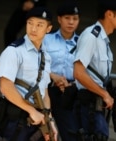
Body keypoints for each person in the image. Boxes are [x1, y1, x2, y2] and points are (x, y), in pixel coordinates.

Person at [0, 7, 58, 141]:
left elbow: (45, 93)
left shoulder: (45, 56)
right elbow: (5, 86)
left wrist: (50, 121)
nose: (33, 29)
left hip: (37, 120)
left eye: (39, 25)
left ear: (48, 29)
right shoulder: (14, 51)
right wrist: (31, 110)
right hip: (16, 119)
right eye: (30, 23)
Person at [73, 0, 116, 140]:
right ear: (109, 14)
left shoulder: (103, 40)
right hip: (88, 107)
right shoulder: (92, 37)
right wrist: (104, 94)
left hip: (96, 106)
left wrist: (113, 106)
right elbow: (78, 73)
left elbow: (98, 79)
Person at [43, 1, 80, 141]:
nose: (71, 22)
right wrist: (53, 76)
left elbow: (86, 70)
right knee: (43, 133)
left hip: (69, 92)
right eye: (67, 18)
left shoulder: (82, 42)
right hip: (46, 89)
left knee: (71, 133)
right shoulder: (47, 39)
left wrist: (71, 84)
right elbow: (36, 63)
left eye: (75, 19)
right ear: (59, 19)